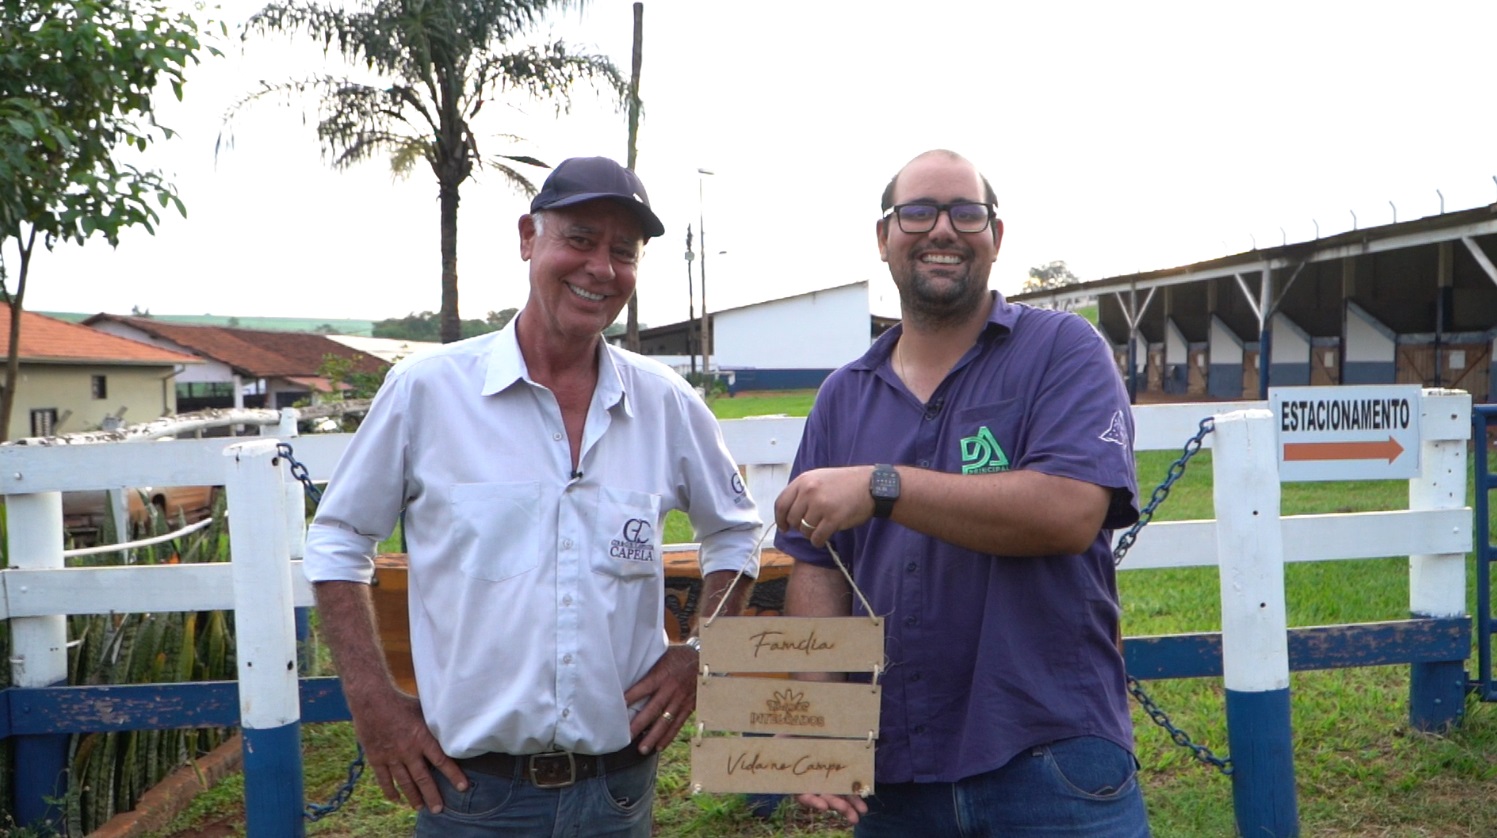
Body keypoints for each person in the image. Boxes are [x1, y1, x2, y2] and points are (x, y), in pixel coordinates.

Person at [303, 156, 762, 837]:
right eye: (579, 239)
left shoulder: (663, 402)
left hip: (617, 794)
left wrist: (699, 652)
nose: (601, 268)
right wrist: (370, 700)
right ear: (528, 238)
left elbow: (734, 531)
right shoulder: (429, 391)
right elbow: (338, 539)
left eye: (622, 252)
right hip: (470, 797)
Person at [772, 149, 1149, 837]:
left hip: (1048, 754)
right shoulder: (842, 396)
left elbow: (1069, 513)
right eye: (915, 212)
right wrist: (818, 727)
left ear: (995, 238)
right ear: (883, 238)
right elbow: (816, 565)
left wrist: (884, 486)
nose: (941, 229)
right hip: (895, 777)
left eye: (965, 212)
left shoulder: (1062, 351)